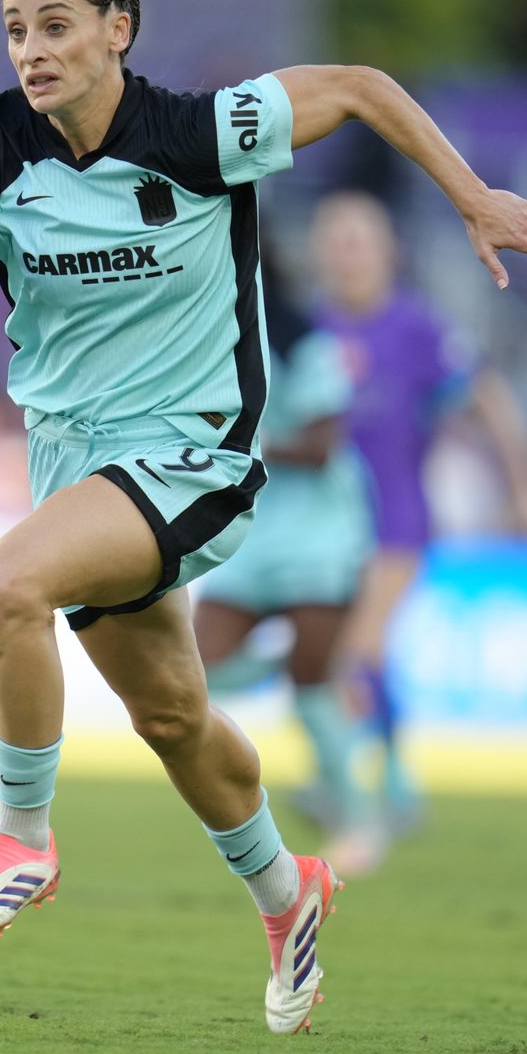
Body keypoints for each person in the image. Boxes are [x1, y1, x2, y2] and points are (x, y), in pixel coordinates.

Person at [0, 0, 527, 1033]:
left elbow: (356, 87)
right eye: (15, 29)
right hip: (76, 468)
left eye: (55, 25)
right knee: (171, 714)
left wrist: (470, 196)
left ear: (118, 32)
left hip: (194, 455)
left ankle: (24, 839)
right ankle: (287, 894)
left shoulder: (201, 132)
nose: (30, 51)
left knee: (8, 585)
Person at [310, 191, 527, 827]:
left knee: (353, 650)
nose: (348, 256)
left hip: (397, 521)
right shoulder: (307, 328)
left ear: (388, 251)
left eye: (359, 241)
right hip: (324, 530)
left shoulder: (416, 328)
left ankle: (349, 783)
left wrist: (524, 484)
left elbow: (489, 397)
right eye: (337, 243)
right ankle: (390, 776)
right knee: (350, 654)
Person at [194, 252, 382, 874]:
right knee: (190, 674)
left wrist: (248, 443)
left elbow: (324, 447)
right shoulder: (207, 340)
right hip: (252, 533)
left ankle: (359, 823)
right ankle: (288, 665)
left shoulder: (309, 347)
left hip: (320, 535)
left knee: (315, 686)